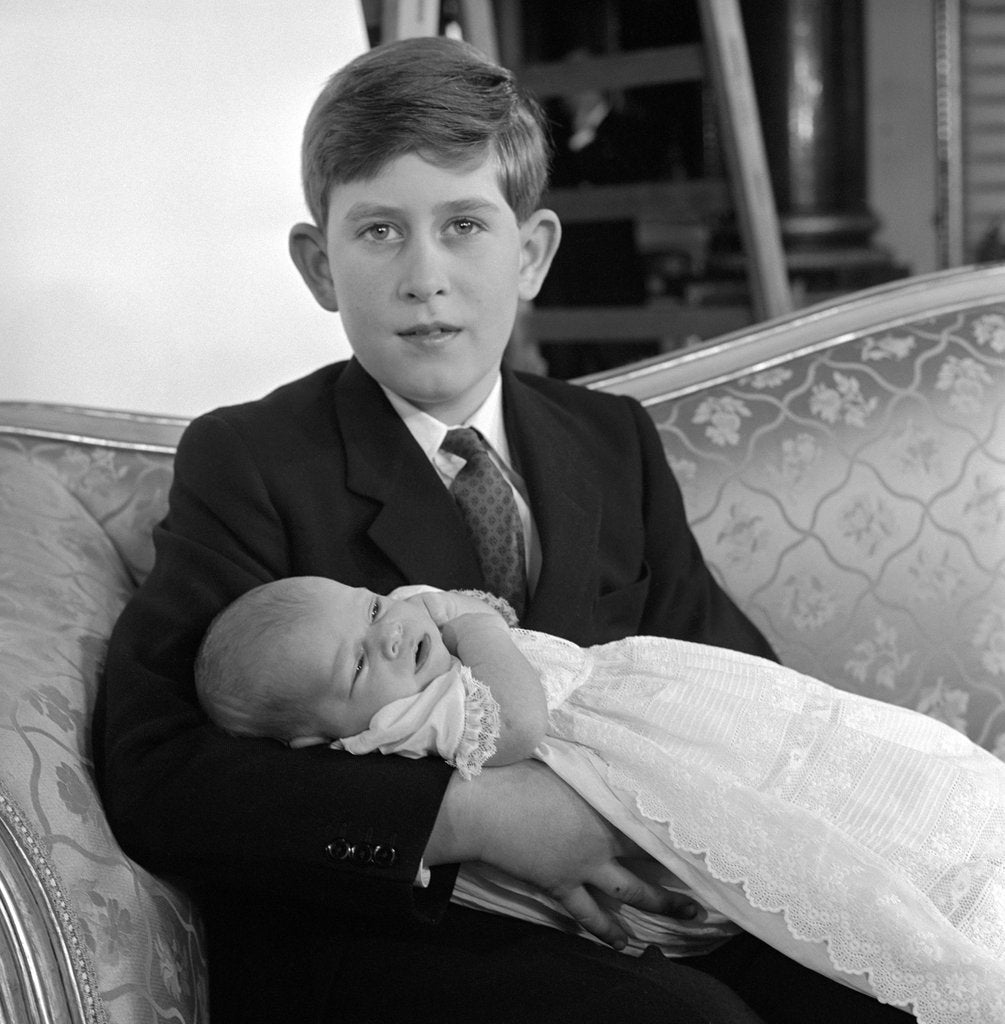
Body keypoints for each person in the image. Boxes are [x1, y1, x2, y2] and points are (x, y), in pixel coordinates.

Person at [94, 35, 911, 1024]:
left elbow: (735, 685)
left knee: (886, 982)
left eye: (465, 226)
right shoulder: (255, 460)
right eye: (381, 231)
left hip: (650, 901)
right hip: (409, 930)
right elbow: (159, 769)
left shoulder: (610, 443)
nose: (424, 276)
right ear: (319, 264)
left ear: (531, 253)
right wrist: (472, 813)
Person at [195, 576, 1004, 1023]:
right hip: (622, 827)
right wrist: (473, 626)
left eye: (371, 606)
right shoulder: (404, 725)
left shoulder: (611, 438)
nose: (386, 634)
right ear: (319, 742)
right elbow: (515, 721)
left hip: (670, 728)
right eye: (356, 664)